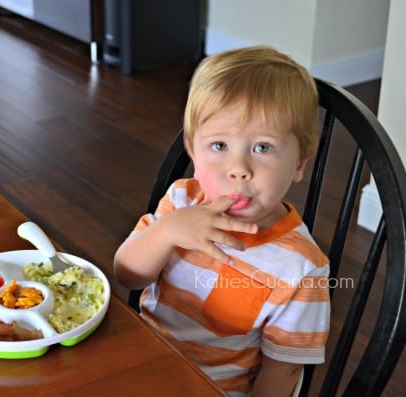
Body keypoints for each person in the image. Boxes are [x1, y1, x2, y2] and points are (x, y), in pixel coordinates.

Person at [113, 46, 330, 397]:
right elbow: (127, 274)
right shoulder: (182, 199)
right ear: (193, 152)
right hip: (142, 361)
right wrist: (167, 231)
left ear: (300, 163)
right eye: (218, 146)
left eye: (263, 148)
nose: (238, 169)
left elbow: (282, 372)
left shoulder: (302, 267)